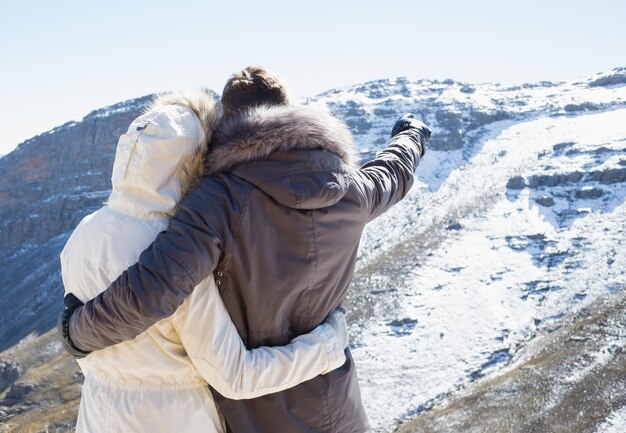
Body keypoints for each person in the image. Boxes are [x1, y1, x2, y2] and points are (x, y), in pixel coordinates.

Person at [59, 66, 431, 433]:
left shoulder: (219, 199)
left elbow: (155, 287)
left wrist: (78, 332)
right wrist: (411, 136)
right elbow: (393, 171)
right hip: (340, 409)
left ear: (227, 127)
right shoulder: (353, 190)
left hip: (260, 414)